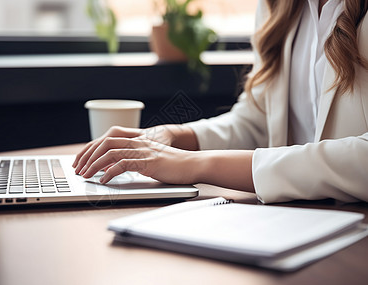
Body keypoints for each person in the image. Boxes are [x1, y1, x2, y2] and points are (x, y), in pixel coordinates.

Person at [73, 0, 368, 204]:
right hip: (303, 219)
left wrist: (196, 164)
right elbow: (256, 122)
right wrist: (178, 137)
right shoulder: (280, 8)